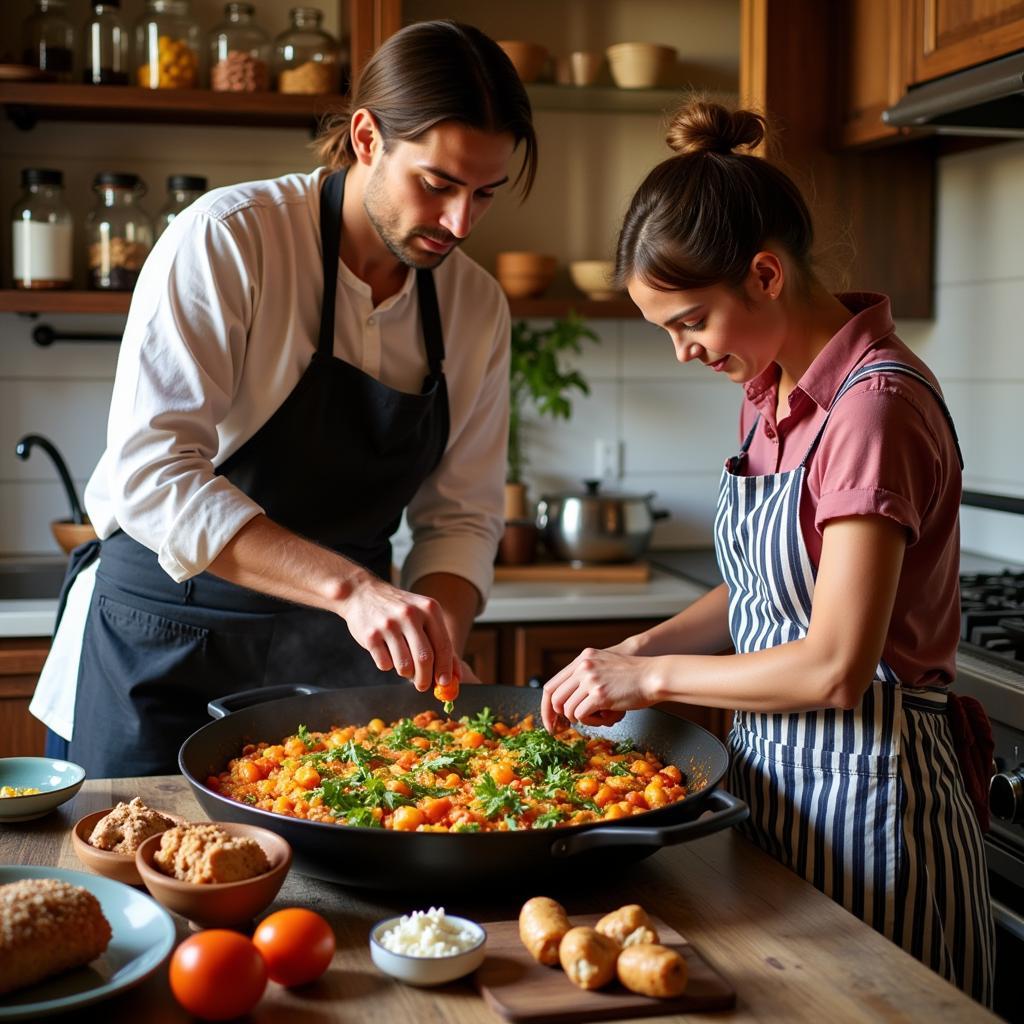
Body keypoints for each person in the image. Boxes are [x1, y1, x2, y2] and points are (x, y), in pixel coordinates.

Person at [540, 101, 995, 1004]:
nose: (681, 351)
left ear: (764, 273)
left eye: (689, 321)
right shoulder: (770, 389)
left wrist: (653, 683)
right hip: (782, 792)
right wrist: (639, 648)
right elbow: (759, 595)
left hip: (878, 807)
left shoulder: (874, 408)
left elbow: (832, 665)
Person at [31, 20, 537, 778]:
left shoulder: (474, 305)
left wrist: (436, 642)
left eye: (485, 194)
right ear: (367, 138)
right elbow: (153, 475)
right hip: (160, 644)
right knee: (141, 884)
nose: (459, 223)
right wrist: (355, 589)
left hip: (336, 662)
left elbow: (460, 515)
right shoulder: (229, 240)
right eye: (437, 185)